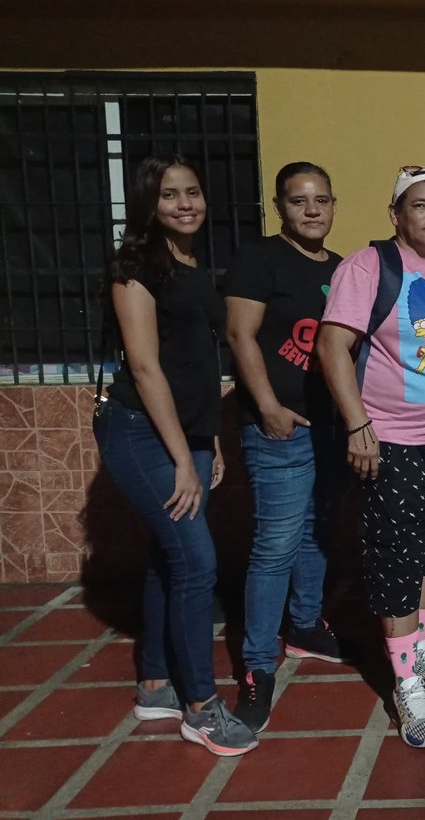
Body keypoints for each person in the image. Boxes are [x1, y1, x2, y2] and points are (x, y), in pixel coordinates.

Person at [94, 154, 256, 756]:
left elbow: (195, 360)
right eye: (169, 195)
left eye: (193, 192)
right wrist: (181, 457)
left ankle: (156, 683)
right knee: (195, 562)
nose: (185, 203)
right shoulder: (136, 267)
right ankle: (200, 707)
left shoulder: (194, 265)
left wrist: (206, 436)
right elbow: (144, 364)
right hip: (138, 431)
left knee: (171, 558)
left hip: (185, 432)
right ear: (148, 204)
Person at [317, 166, 425, 749]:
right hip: (395, 444)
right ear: (396, 214)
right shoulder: (369, 267)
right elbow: (331, 345)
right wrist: (358, 425)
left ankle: (422, 644)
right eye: (419, 205)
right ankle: (407, 685)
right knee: (395, 559)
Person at [225, 161, 347, 734]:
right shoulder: (261, 258)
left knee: (317, 528)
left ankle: (303, 624)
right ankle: (255, 665)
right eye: (300, 201)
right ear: (280, 207)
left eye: (322, 199)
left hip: (329, 425)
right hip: (280, 429)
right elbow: (239, 335)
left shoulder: (345, 269)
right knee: (274, 545)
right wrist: (269, 408)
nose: (312, 209)